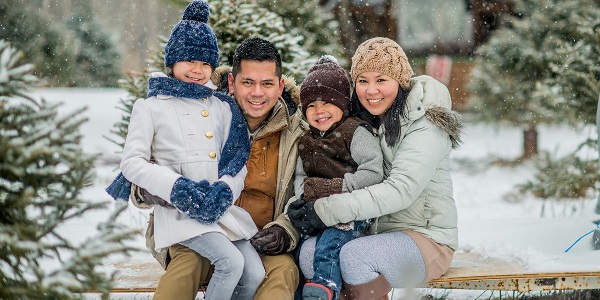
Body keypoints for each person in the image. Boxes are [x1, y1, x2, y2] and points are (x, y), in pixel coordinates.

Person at [118, 37, 309, 299]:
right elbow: (143, 164)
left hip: (256, 237)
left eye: (266, 84)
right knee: (189, 265)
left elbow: (304, 196)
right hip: (192, 227)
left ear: (280, 87)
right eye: (247, 82)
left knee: (281, 270)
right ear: (232, 83)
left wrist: (285, 230)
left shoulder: (297, 134)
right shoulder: (206, 112)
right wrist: (149, 190)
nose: (257, 93)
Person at [110, 1, 267, 299]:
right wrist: (178, 189)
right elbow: (132, 163)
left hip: (221, 210)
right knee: (230, 263)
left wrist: (225, 191)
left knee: (255, 272)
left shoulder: (220, 106)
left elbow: (236, 159)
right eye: (190, 61)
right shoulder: (150, 107)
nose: (198, 70)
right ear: (172, 62)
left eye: (206, 63)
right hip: (181, 213)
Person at [287, 37, 463, 300]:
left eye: (381, 80)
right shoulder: (365, 123)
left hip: (426, 236)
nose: (371, 90)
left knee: (355, 257)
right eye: (363, 81)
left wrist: (325, 211)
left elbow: (400, 190)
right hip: (373, 231)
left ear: (401, 82)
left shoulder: (425, 124)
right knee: (311, 252)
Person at [286, 56, 383, 300]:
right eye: (311, 105)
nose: (319, 111)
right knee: (299, 250)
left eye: (327, 103)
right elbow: (301, 175)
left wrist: (338, 187)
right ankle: (299, 291)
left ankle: (325, 286)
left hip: (353, 209)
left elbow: (373, 171)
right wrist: (302, 197)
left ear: (342, 105)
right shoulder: (306, 141)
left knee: (330, 242)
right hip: (317, 210)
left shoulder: (354, 132)